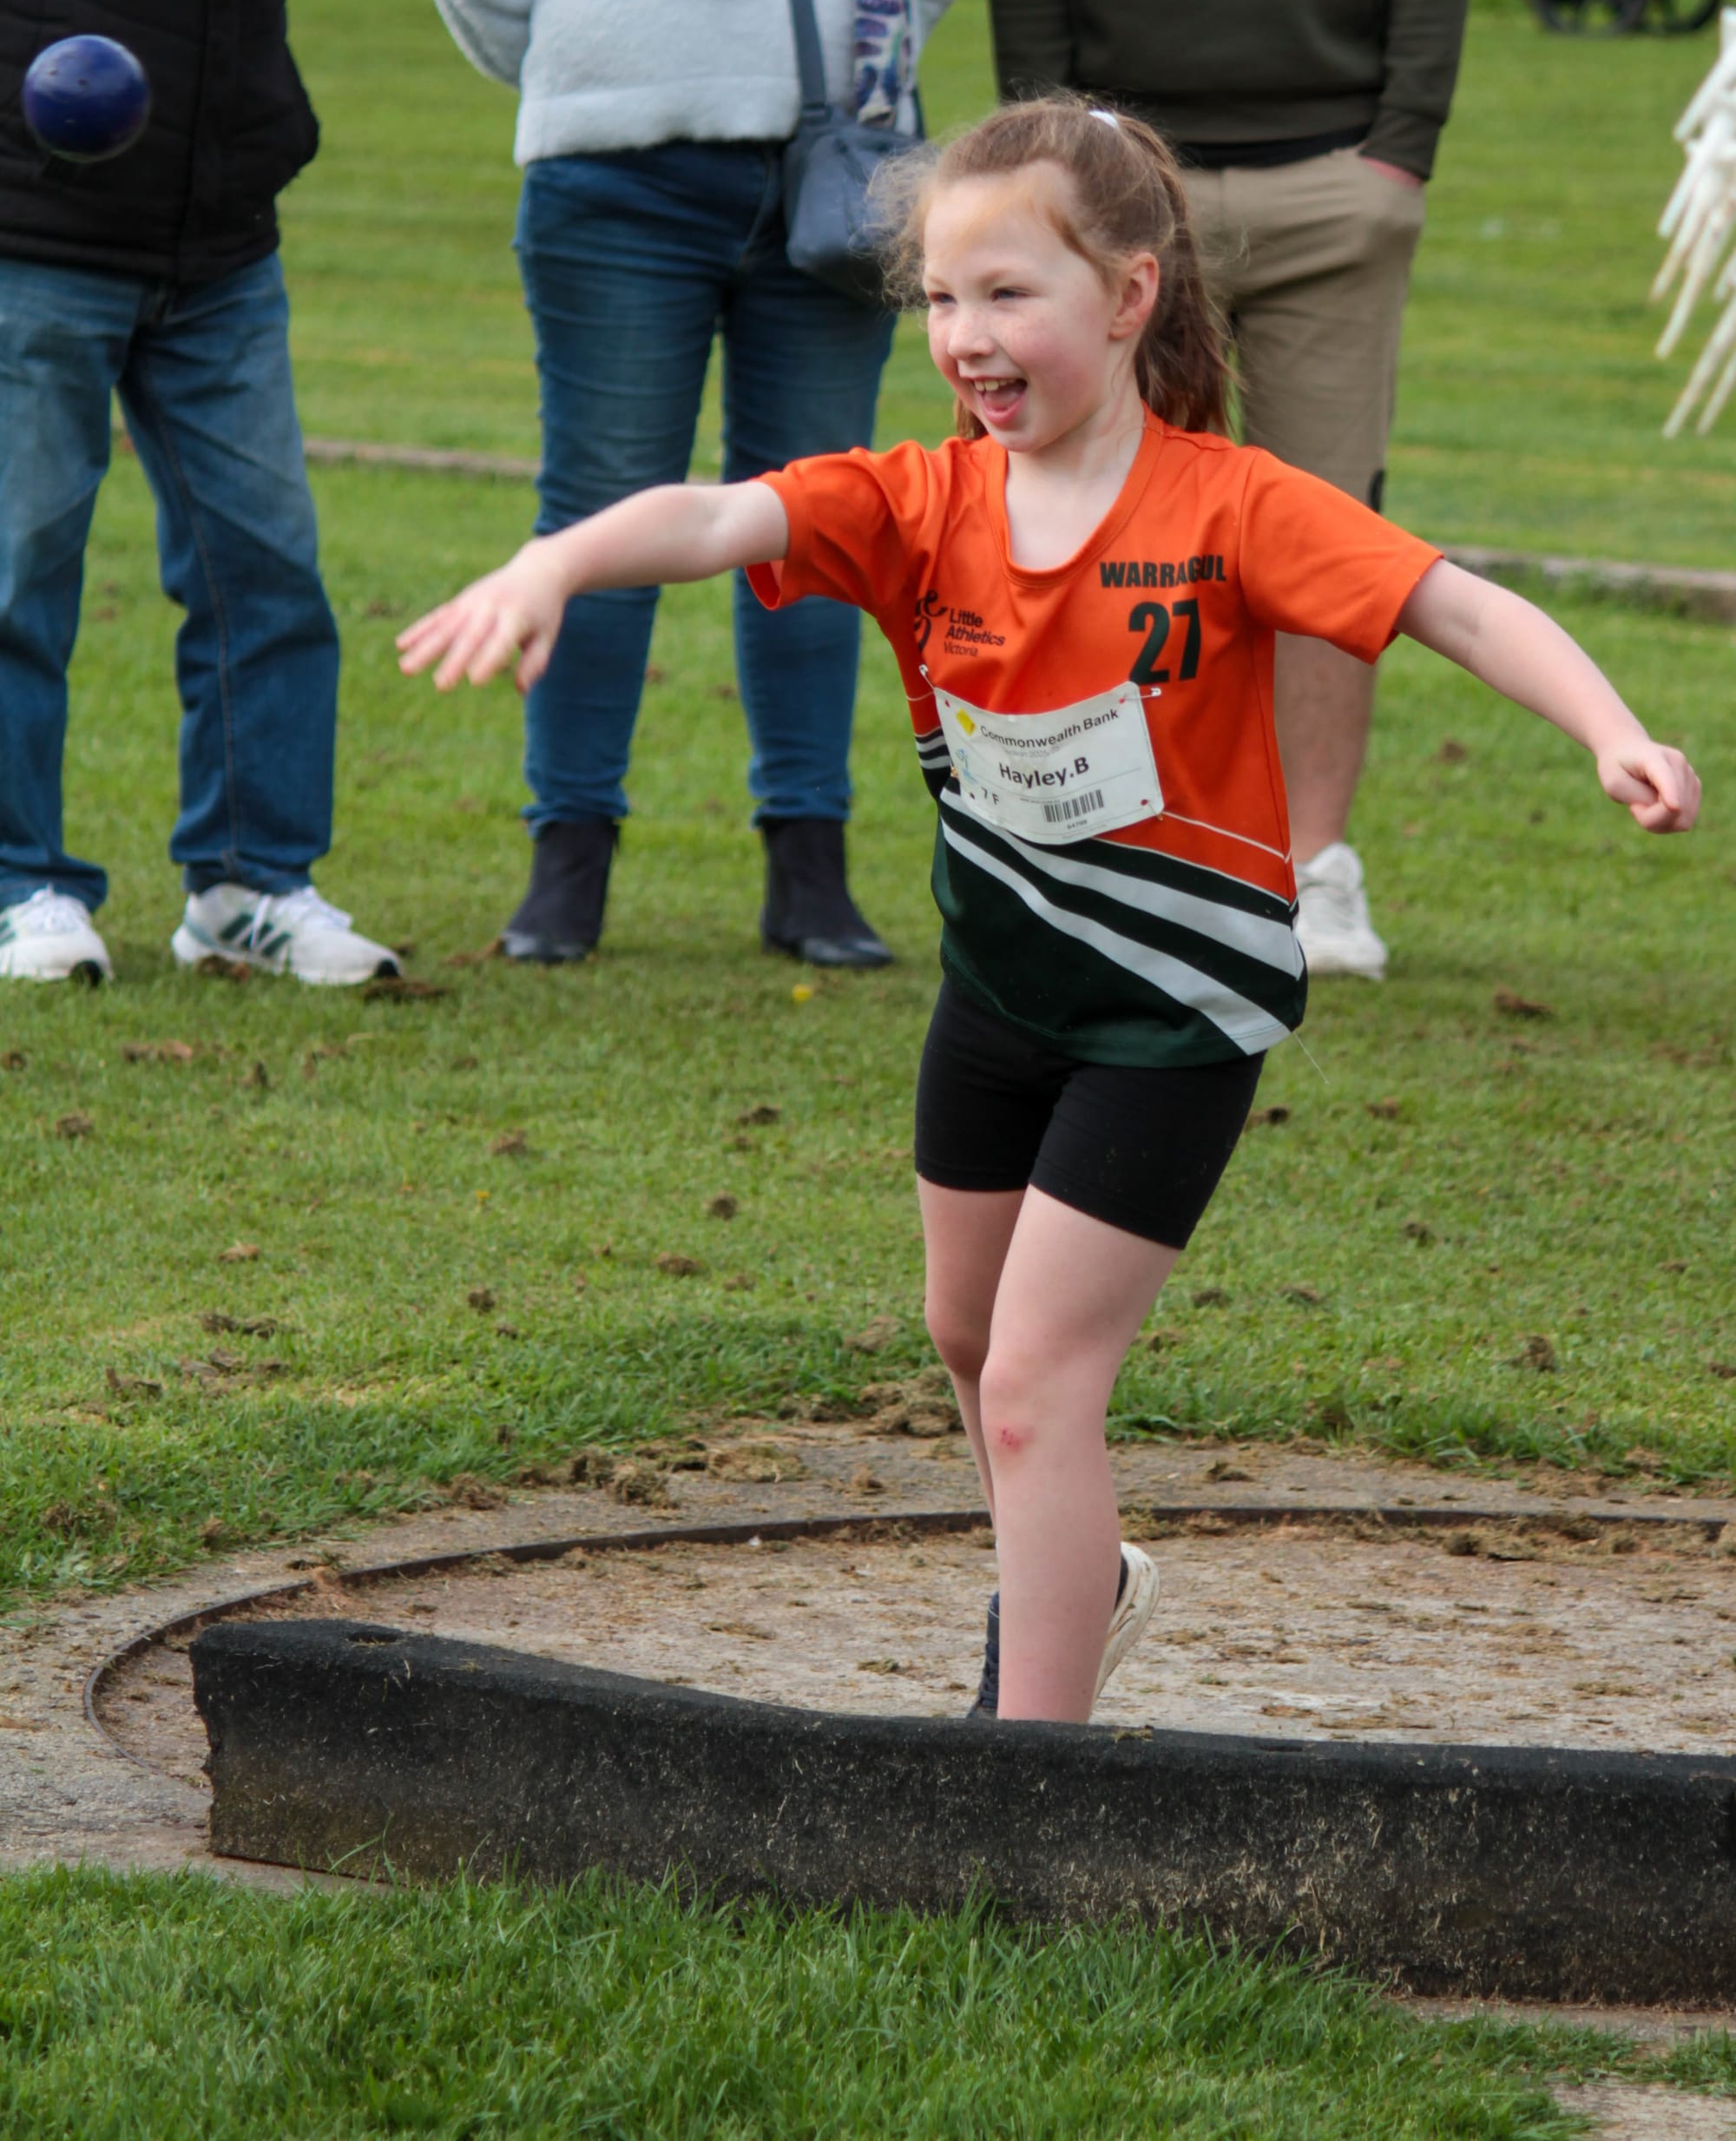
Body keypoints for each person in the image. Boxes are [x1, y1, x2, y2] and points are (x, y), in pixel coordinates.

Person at [398, 100, 1700, 1723]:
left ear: (1131, 297)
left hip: (1173, 1019)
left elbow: (1459, 606)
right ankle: (1085, 1578)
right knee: (967, 1342)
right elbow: (717, 516)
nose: (967, 337)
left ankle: (1033, 1779)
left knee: (1033, 1386)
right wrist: (554, 566)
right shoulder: (922, 503)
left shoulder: (1233, 507)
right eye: (944, 300)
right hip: (1000, 1001)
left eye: (1010, 296)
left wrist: (1614, 730)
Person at [409, 0, 980, 972]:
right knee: (599, 511)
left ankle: (809, 868)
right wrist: (574, 80)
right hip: (621, 195)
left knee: (816, 527)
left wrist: (860, 96)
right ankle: (568, 861)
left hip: (836, 201)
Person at [984, 0, 1482, 982]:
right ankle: (1123, 852)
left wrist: (1403, 143)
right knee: (1109, 534)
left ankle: (1314, 873)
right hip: (1123, 189)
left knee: (1329, 543)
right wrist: (1058, 154)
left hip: (1340, 173)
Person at [0, 0, 400, 988]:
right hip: (33, 232)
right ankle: (18, 886)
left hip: (221, 243)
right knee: (18, 565)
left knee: (266, 571)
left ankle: (248, 888)